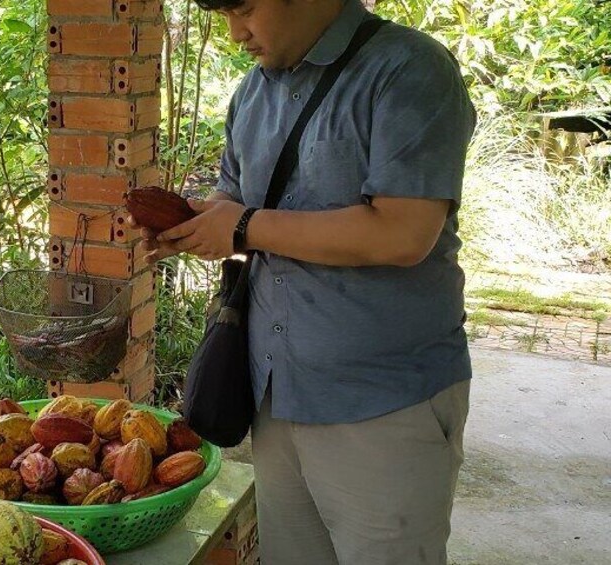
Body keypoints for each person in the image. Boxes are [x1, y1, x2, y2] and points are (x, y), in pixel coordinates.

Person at [131, 0, 476, 562]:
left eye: (243, 9)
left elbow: (404, 233)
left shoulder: (409, 69)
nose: (235, 33)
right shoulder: (253, 92)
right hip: (275, 389)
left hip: (382, 400)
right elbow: (238, 199)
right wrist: (195, 224)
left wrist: (241, 226)